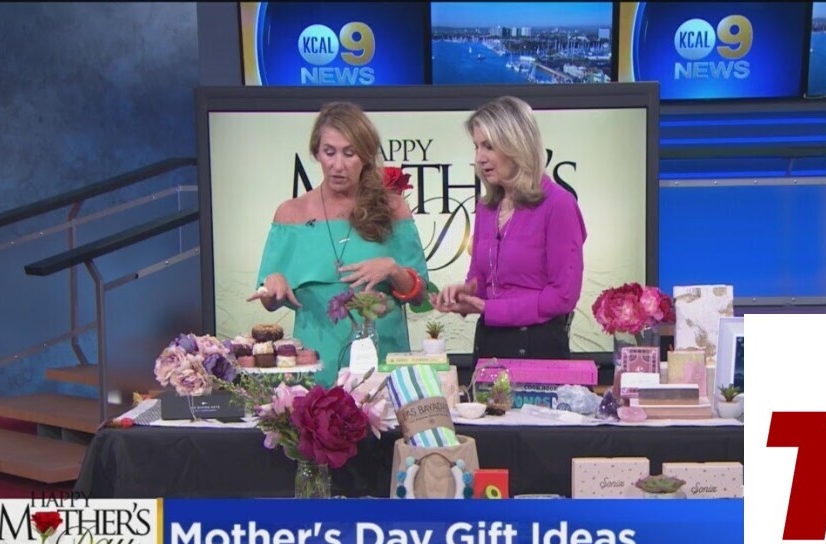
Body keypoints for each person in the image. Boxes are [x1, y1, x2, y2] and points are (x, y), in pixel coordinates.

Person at [248, 102, 429, 385]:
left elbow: (420, 296)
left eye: (349, 153)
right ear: (316, 153)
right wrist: (273, 284)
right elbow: (269, 300)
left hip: (382, 368)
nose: (338, 165)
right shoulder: (290, 215)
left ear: (366, 156)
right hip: (316, 368)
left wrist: (393, 269)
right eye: (329, 152)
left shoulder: (393, 209)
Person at [432, 96, 586, 362]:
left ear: (517, 146)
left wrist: (492, 309)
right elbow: (481, 281)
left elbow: (563, 296)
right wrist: (465, 295)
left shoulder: (559, 204)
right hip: (490, 345)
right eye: (476, 147)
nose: (479, 158)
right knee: (487, 397)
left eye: (489, 146)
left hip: (539, 350)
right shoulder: (486, 208)